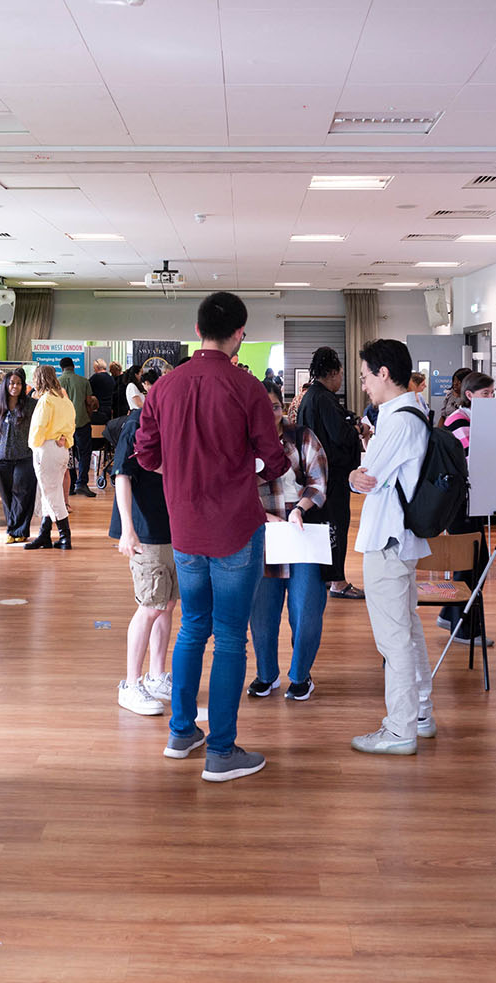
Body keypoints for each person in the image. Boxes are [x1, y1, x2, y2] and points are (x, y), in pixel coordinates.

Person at [135, 292, 286, 782]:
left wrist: (179, 471)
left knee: (191, 627)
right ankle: (221, 750)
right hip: (235, 530)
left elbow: (146, 455)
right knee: (228, 639)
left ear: (197, 329)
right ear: (239, 333)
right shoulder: (247, 388)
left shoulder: (163, 388)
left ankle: (182, 732)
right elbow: (276, 458)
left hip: (184, 530)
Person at [348, 339, 435, 756]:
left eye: (366, 376)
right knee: (408, 629)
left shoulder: (398, 420)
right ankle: (419, 714)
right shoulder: (411, 412)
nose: (364, 384)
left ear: (384, 373)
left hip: (388, 538)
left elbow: (369, 478)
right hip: (401, 538)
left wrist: (353, 475)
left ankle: (401, 728)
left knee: (394, 638)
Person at [247, 380, 329, 701]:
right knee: (262, 615)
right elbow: (234, 489)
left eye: (276, 407)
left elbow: (319, 480)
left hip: (301, 534)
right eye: (263, 408)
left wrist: (300, 509)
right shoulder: (243, 441)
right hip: (262, 536)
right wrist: (264, 517)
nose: (271, 414)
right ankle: (266, 675)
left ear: (284, 407)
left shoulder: (302, 436)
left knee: (306, 610)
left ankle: (301, 676)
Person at [108, 376, 176, 716]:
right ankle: (131, 683)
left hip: (172, 527)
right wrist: (128, 531)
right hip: (145, 531)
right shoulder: (137, 423)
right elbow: (122, 475)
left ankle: (156, 675)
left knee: (166, 606)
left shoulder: (172, 421)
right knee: (150, 606)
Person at [296, 346, 365, 600]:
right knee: (335, 525)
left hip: (314, 475)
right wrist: (357, 430)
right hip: (332, 476)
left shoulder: (309, 396)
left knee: (322, 526)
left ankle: (327, 576)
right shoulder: (324, 399)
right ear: (334, 372)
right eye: (340, 375)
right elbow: (340, 435)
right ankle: (338, 581)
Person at [436, 371, 496, 645]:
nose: (491, 398)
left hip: (468, 499)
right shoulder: (460, 420)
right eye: (486, 394)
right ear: (470, 395)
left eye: (493, 393)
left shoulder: (476, 419)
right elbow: (475, 460)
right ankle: (465, 630)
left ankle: (451, 616)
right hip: (459, 501)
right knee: (473, 561)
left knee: (471, 561)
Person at [24, 364, 76, 550]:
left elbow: (38, 428)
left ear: (38, 379)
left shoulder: (46, 400)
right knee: (49, 493)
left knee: (52, 495)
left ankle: (65, 537)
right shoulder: (64, 399)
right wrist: (65, 439)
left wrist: (34, 445)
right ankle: (44, 535)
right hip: (61, 449)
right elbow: (72, 423)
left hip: (46, 449)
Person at [0, 368, 38, 544]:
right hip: (2, 457)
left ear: (23, 385)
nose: (14, 386)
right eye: (11, 383)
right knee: (7, 496)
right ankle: (15, 529)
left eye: (18, 383)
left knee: (23, 493)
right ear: (5, 385)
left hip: (25, 456)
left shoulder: (31, 405)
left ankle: (17, 530)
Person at [56, 357, 95, 497]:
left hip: (64, 426)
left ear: (61, 368)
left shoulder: (57, 382)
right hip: (82, 422)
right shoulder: (84, 381)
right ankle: (82, 483)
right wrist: (88, 416)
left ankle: (70, 484)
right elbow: (89, 402)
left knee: (68, 455)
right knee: (84, 453)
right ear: (73, 366)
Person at [88, 358, 115, 426]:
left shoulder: (95, 378)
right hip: (110, 407)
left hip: (99, 407)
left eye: (94, 368)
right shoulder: (111, 378)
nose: (94, 370)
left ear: (97, 367)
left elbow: (88, 391)